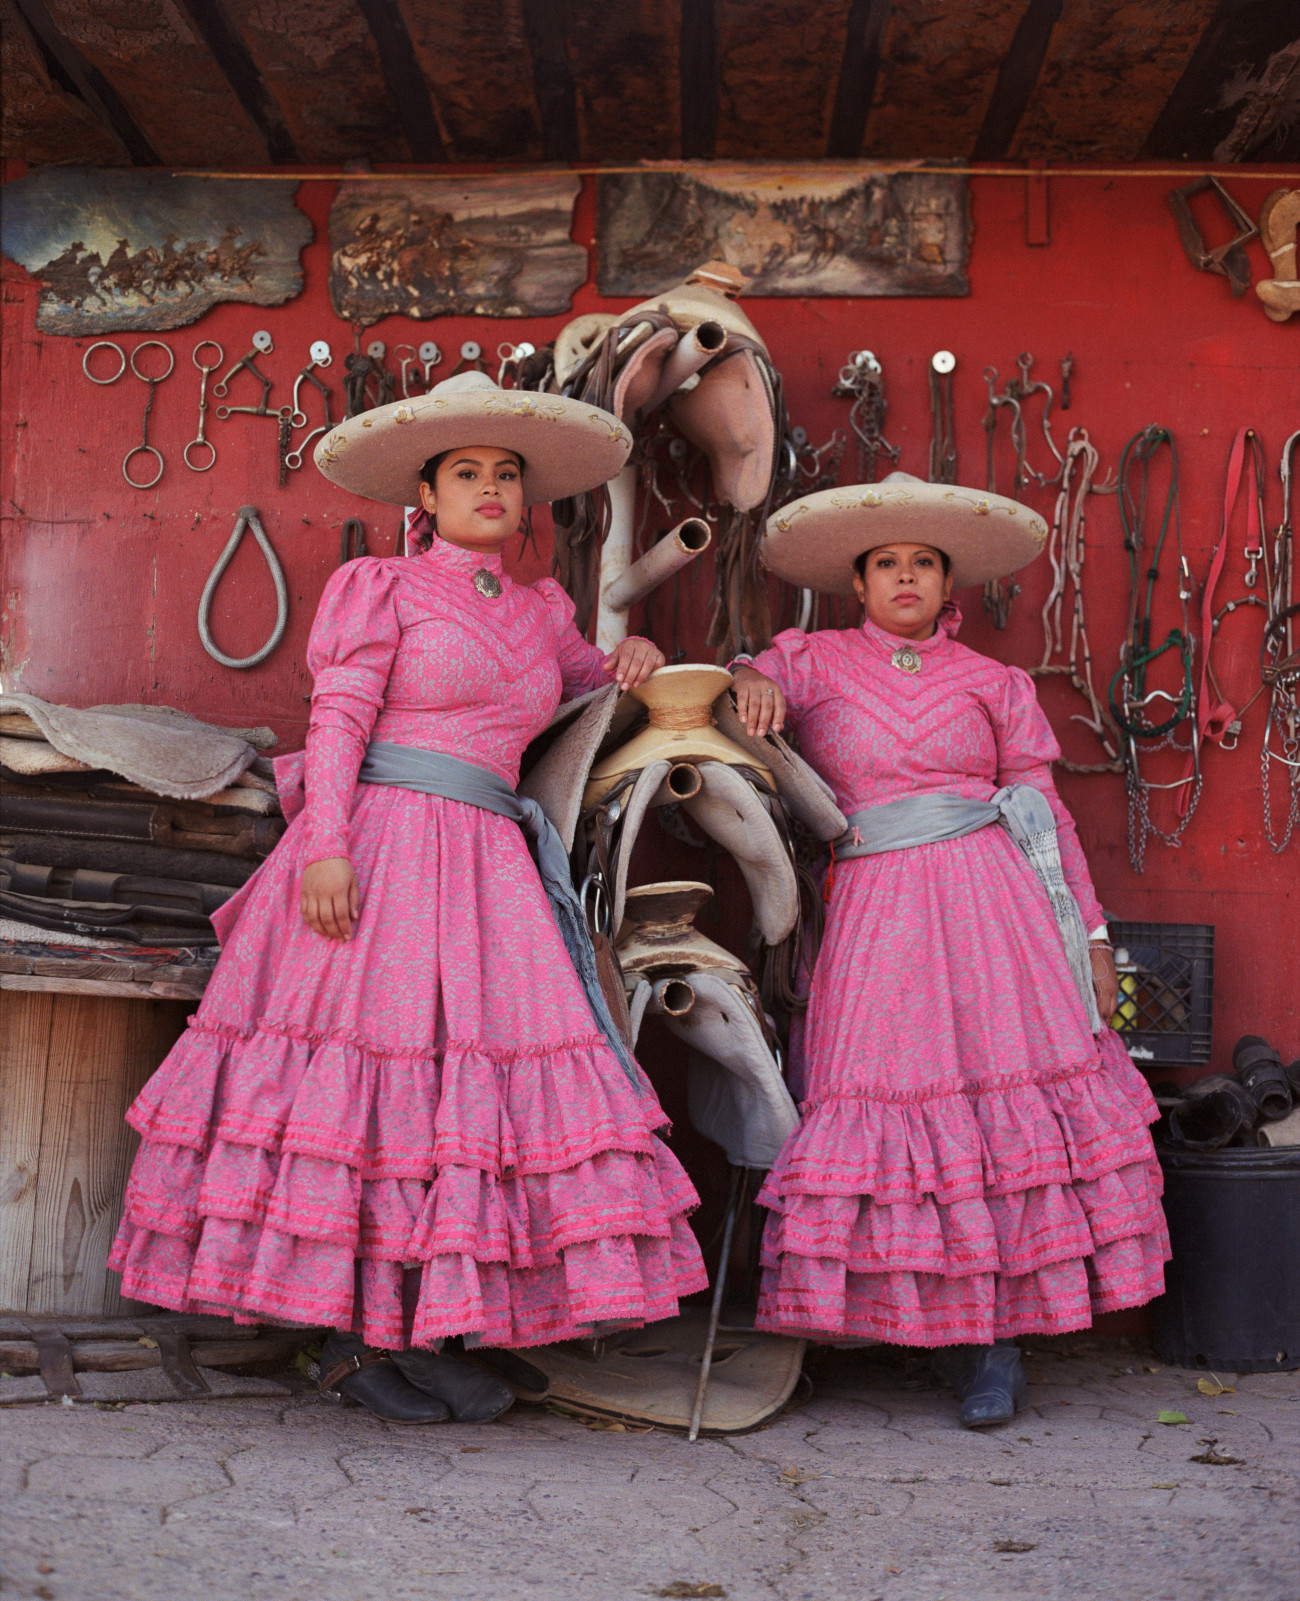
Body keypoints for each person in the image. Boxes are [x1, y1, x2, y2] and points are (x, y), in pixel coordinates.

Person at [110, 373, 707, 1424]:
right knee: (372, 1094)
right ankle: (347, 1341)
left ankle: (436, 1325)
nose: (489, 488)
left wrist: (638, 653)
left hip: (489, 867)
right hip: (380, 849)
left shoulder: (540, 610)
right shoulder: (378, 590)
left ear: (528, 504)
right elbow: (338, 723)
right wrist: (326, 847)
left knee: (464, 1104)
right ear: (424, 497)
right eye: (466, 472)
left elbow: (591, 679)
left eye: (506, 475)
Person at [732, 473, 1168, 1428]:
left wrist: (1089, 938)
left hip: (996, 909)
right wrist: (750, 673)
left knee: (991, 1112)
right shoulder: (814, 661)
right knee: (886, 1096)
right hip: (875, 909)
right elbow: (740, 691)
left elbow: (1044, 816)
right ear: (859, 581)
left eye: (922, 563)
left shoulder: (994, 684)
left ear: (945, 582)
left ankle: (992, 1343)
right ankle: (904, 1318)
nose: (904, 578)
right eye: (886, 563)